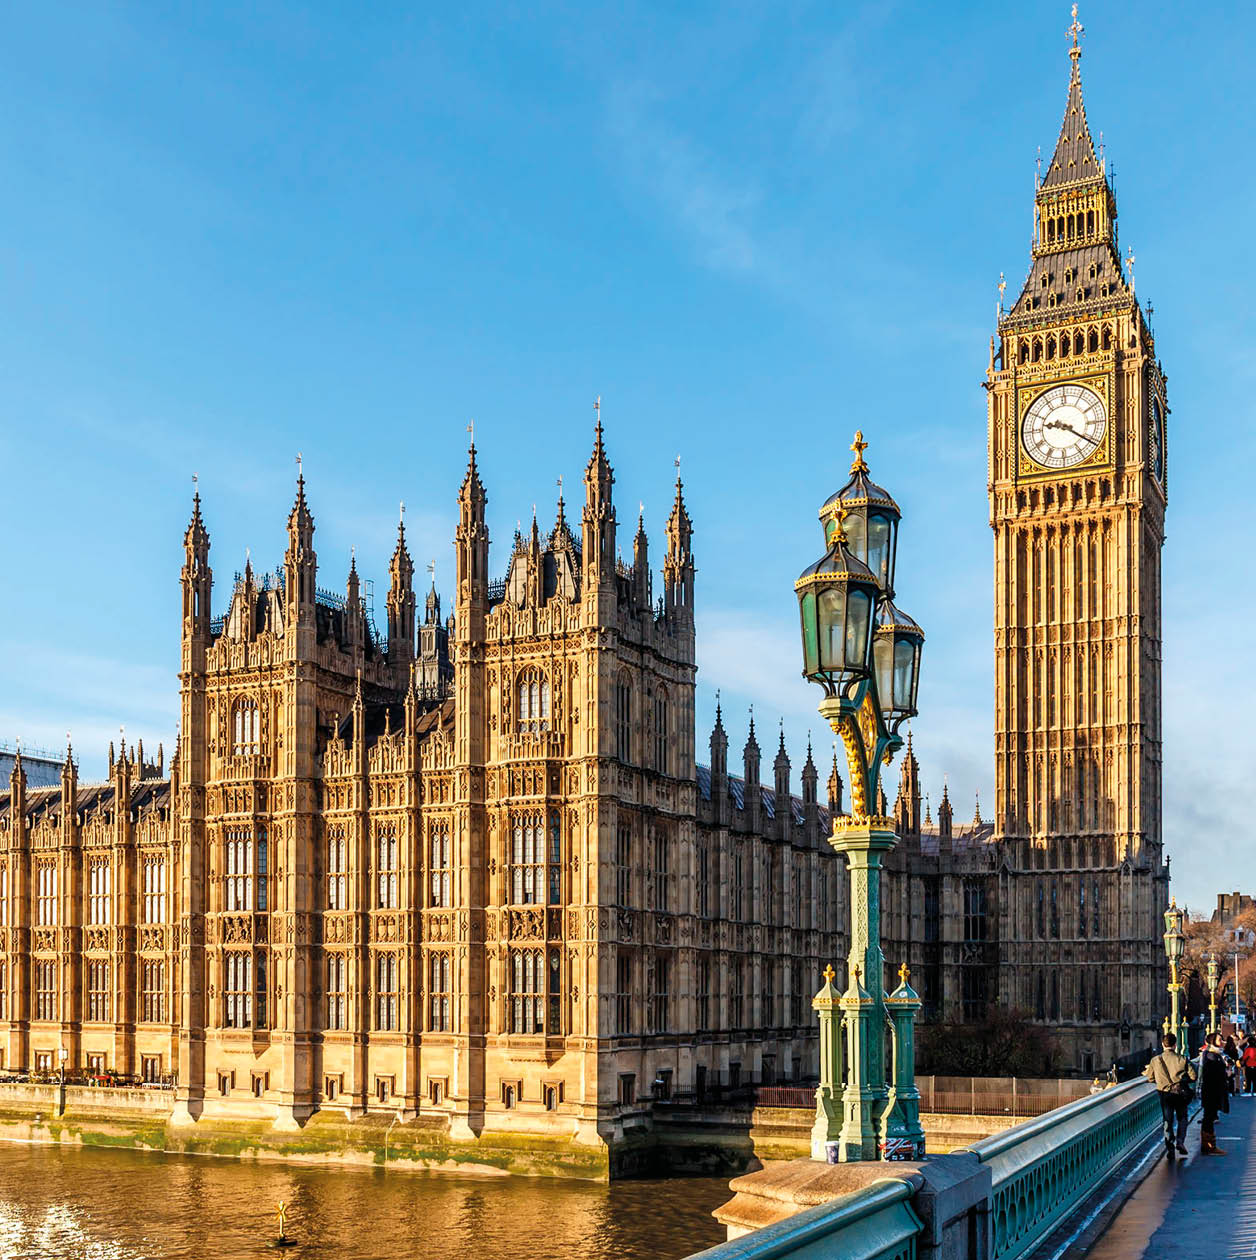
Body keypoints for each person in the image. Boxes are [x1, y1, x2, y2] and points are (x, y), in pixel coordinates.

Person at [1144, 1032, 1195, 1158]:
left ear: (1162, 1044)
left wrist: (1161, 1080)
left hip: (1165, 1094)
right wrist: (1182, 1081)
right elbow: (1194, 1076)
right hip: (1180, 1093)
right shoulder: (1182, 1059)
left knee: (1168, 1120)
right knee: (1182, 1118)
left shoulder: (1155, 1060)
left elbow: (1150, 1078)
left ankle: (1170, 1146)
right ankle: (1180, 1141)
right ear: (1175, 1045)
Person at [1200, 1032, 1231, 1155]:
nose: (1222, 1041)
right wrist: (1226, 1074)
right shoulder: (1212, 1056)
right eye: (1219, 1039)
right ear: (1213, 1041)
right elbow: (1214, 1075)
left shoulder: (1212, 1054)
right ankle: (1209, 1146)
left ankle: (1208, 1145)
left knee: (1209, 1117)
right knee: (1209, 1117)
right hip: (1212, 1092)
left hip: (1210, 1091)